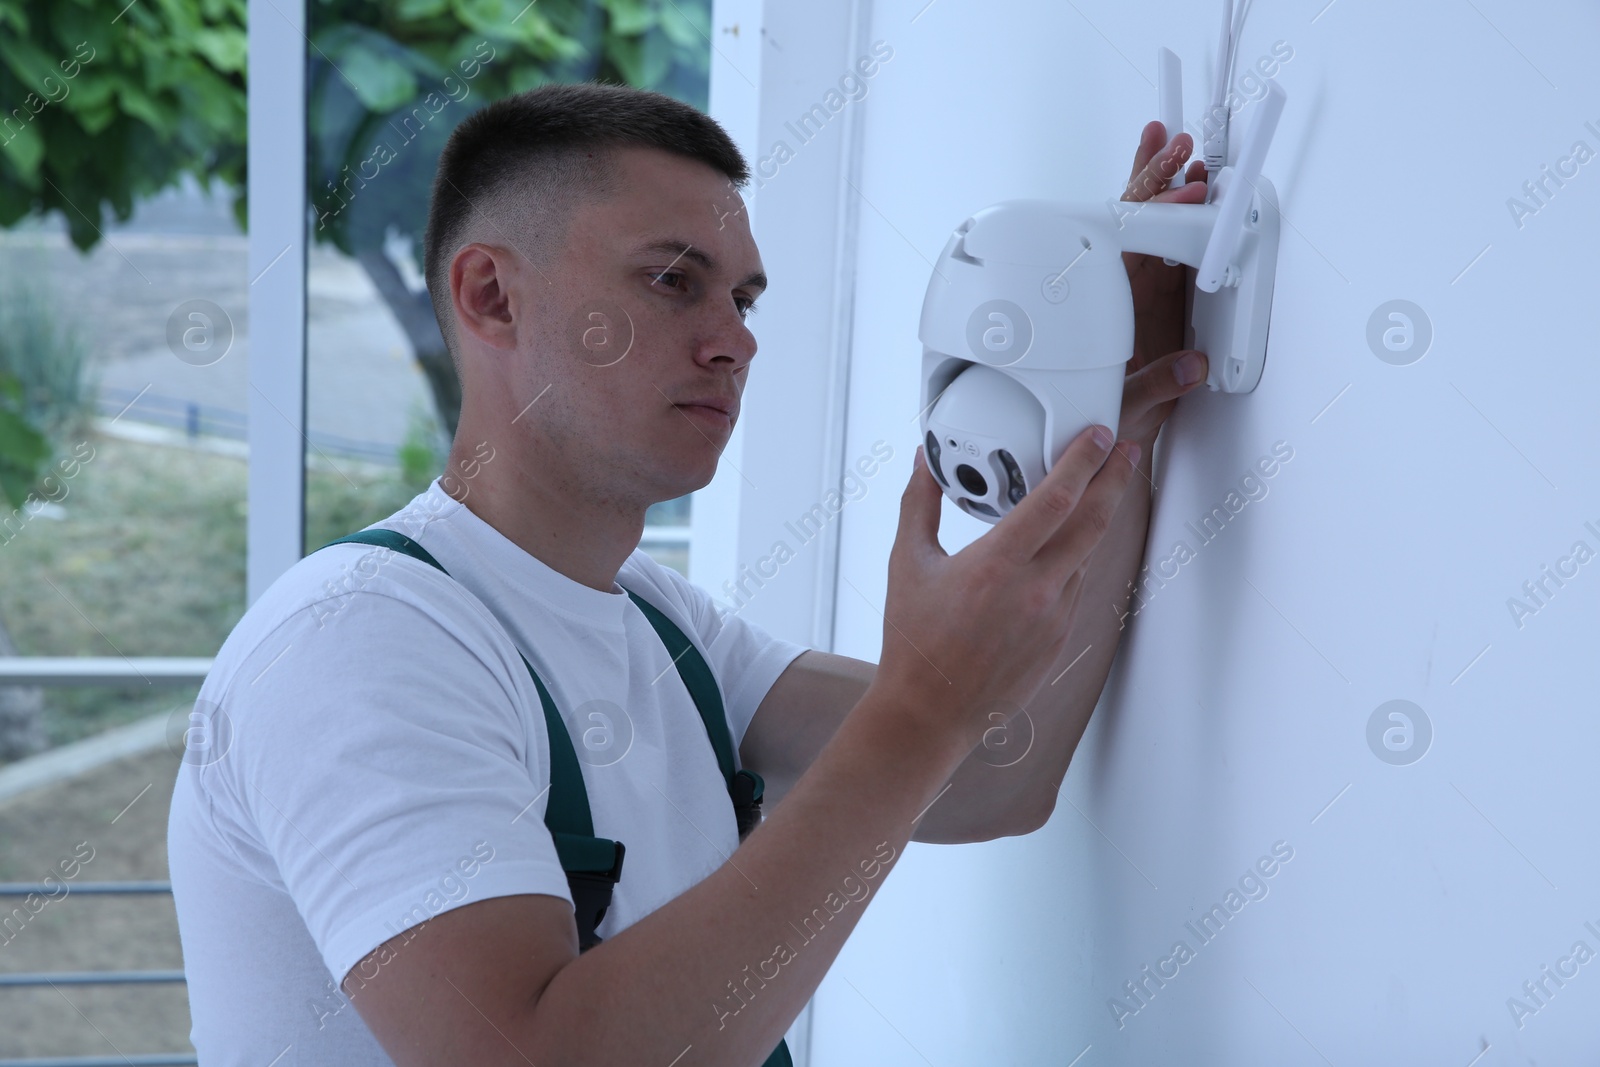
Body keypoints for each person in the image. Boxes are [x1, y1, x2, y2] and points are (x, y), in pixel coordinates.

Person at [167, 80, 1209, 1065]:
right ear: (491, 295)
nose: (733, 344)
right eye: (672, 281)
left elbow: (996, 771)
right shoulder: (358, 638)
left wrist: (1103, 435)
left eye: (745, 298)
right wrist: (922, 703)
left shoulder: (663, 626)